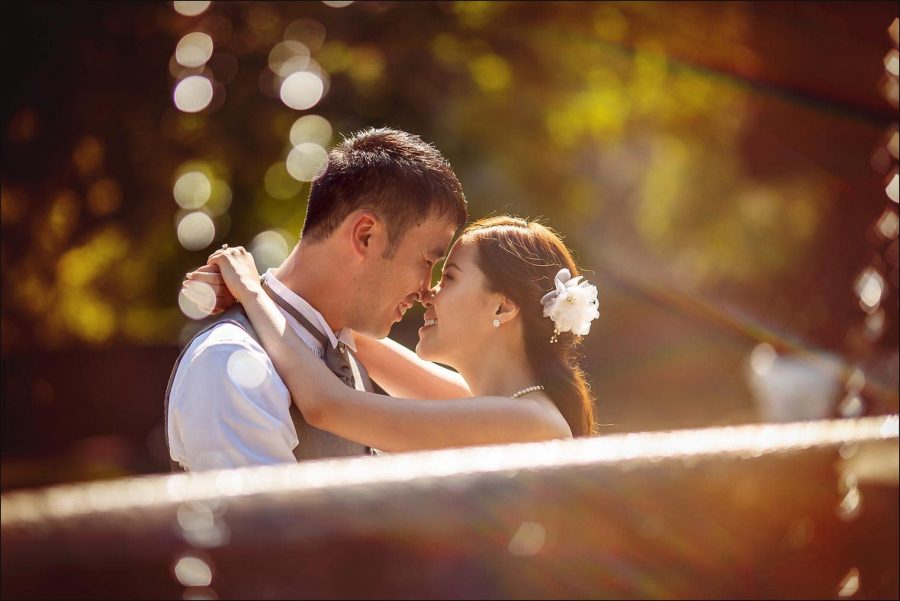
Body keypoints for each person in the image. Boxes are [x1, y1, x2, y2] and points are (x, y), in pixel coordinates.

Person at [168, 127, 468, 471]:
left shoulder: (344, 345)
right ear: (365, 236)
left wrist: (252, 294)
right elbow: (267, 524)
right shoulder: (230, 358)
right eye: (427, 261)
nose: (426, 290)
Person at [188, 215, 599, 454]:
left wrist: (252, 294)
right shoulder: (498, 406)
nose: (428, 293)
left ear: (503, 307)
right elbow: (351, 331)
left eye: (450, 277)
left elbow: (328, 407)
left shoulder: (528, 422)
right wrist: (257, 287)